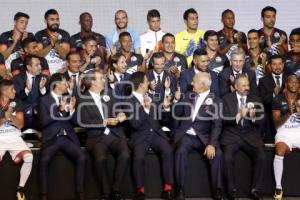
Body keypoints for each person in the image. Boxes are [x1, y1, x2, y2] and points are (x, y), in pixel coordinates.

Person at [78, 69, 130, 200]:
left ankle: (116, 190)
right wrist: (104, 121)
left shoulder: (109, 93)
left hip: (114, 134)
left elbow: (118, 109)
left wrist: (120, 115)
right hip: (97, 137)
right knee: (100, 159)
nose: (104, 80)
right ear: (92, 82)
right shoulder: (83, 98)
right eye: (101, 78)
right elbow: (84, 121)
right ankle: (105, 192)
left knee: (125, 154)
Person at [173, 72, 223, 200]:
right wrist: (176, 100)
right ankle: (180, 189)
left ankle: (217, 189)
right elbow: (177, 113)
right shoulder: (188, 95)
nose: (191, 83)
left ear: (202, 85)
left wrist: (211, 144)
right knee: (180, 152)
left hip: (205, 137)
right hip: (187, 135)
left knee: (217, 154)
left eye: (194, 81)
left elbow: (217, 125)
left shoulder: (215, 100)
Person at [125, 72, 174, 200]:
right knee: (138, 157)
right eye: (147, 81)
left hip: (156, 134)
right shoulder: (128, 101)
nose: (149, 83)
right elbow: (135, 124)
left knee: (168, 151)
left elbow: (162, 119)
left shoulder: (152, 96)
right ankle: (140, 190)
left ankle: (168, 189)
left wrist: (166, 107)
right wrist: (145, 109)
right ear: (141, 84)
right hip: (140, 136)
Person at [39, 73, 87, 200]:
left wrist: (71, 110)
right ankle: (44, 195)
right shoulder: (44, 100)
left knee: (82, 157)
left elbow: (75, 122)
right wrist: (59, 111)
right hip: (52, 138)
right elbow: (44, 122)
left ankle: (80, 193)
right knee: (44, 160)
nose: (67, 85)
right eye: (65, 82)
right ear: (57, 85)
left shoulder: (69, 98)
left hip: (67, 138)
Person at [221, 74, 265, 200]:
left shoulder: (256, 99)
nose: (247, 87)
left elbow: (262, 121)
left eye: (248, 85)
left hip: (250, 135)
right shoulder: (226, 98)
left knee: (261, 156)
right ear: (235, 86)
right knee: (227, 157)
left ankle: (256, 190)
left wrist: (254, 117)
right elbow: (223, 119)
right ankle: (231, 190)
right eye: (244, 85)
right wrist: (239, 115)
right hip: (232, 135)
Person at [0, 79, 33, 200]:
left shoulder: (17, 102)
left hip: (14, 135)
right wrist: (5, 117)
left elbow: (20, 124)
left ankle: (20, 189)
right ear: (4, 91)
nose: (15, 91)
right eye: (12, 89)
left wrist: (10, 117)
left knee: (29, 157)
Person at [272, 75, 300, 200]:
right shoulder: (278, 99)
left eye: (296, 82)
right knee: (279, 150)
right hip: (283, 132)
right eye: (291, 82)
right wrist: (289, 113)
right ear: (286, 85)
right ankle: (278, 187)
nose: (294, 84)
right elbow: (276, 124)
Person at [12, 55, 48, 130]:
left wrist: (42, 89)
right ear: (28, 67)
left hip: (39, 114)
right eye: (37, 65)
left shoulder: (43, 78)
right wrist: (27, 90)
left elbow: (48, 99)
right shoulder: (17, 79)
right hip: (24, 114)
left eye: (40, 64)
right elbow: (15, 98)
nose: (40, 67)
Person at [258, 55, 288, 143]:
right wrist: (273, 94)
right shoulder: (263, 80)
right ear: (270, 66)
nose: (277, 67)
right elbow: (262, 100)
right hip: (270, 118)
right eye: (274, 64)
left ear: (283, 64)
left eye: (279, 64)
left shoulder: (290, 79)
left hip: (288, 118)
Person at [35, 9, 70, 74]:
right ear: (46, 21)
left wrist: (55, 43)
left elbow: (65, 56)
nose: (55, 22)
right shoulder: (39, 34)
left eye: (57, 19)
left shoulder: (64, 34)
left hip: (62, 71)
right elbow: (39, 55)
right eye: (52, 19)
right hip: (45, 71)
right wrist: (51, 44)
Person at [0, 12, 34, 76]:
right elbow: (2, 57)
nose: (24, 25)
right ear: (15, 22)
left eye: (26, 23)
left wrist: (26, 42)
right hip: (8, 70)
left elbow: (34, 56)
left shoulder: (30, 36)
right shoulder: (5, 36)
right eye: (22, 22)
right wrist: (14, 43)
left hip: (25, 69)